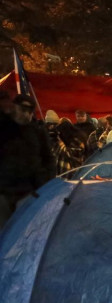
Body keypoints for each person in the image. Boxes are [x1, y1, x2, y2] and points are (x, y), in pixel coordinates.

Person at [0, 93, 56, 226]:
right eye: (22, 110)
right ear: (14, 108)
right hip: (3, 192)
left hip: (29, 191)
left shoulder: (38, 131)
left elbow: (49, 158)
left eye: (29, 111)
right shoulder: (3, 128)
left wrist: (44, 182)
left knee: (24, 230)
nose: (26, 115)